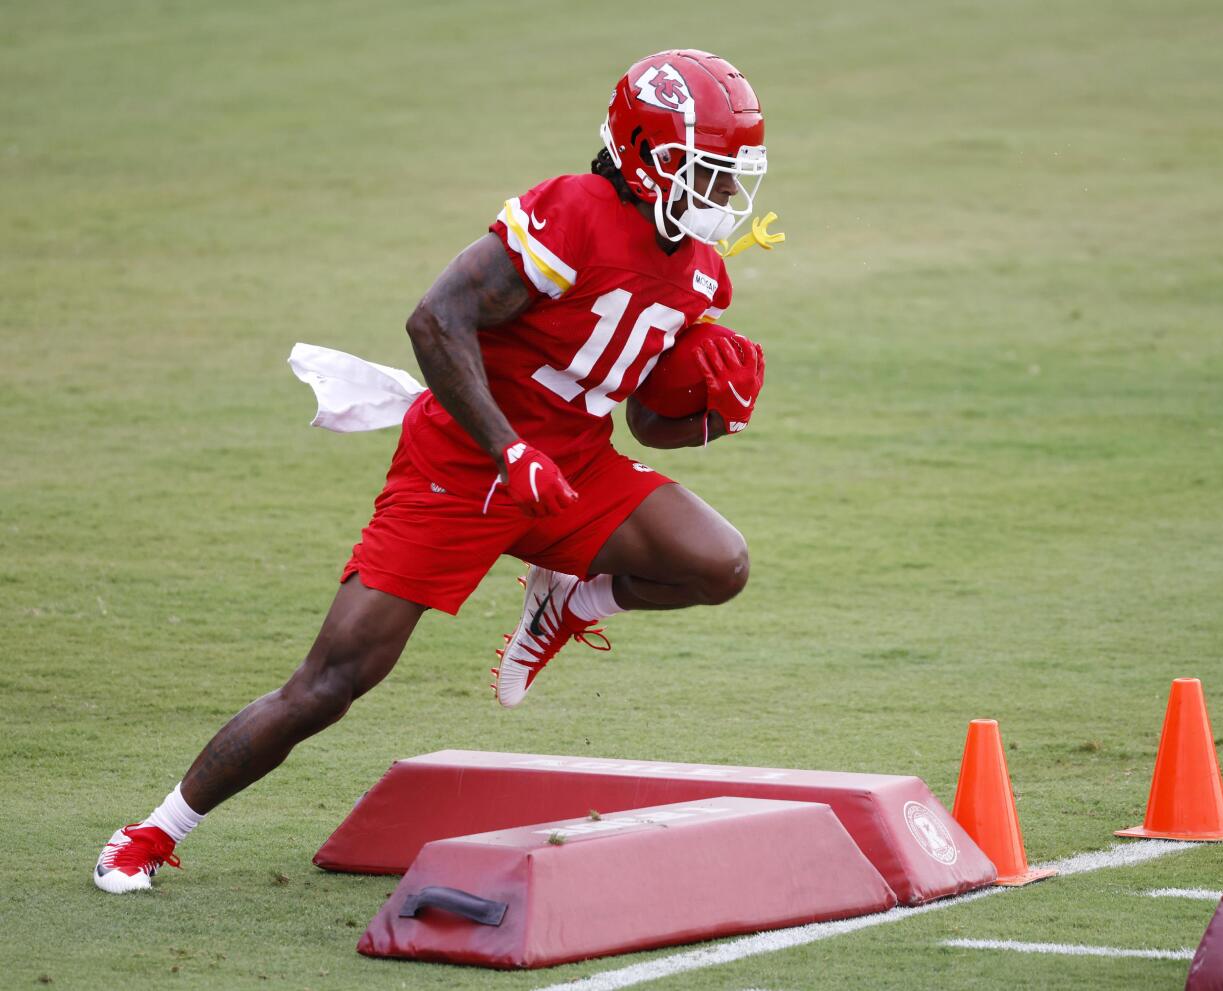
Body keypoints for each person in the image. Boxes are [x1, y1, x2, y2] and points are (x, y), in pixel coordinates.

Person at [94, 48, 771, 893]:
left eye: (727, 176)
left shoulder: (703, 269)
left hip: (570, 467)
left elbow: (641, 416)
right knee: (332, 681)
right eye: (705, 171)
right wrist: (508, 448)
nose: (719, 195)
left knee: (719, 562)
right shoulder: (573, 211)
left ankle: (568, 599)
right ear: (644, 153)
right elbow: (435, 320)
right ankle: (153, 831)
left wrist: (705, 410)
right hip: (460, 464)